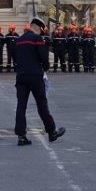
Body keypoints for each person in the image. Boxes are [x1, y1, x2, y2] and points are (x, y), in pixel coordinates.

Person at [12, 17, 64, 146]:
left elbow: (14, 57)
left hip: (21, 76)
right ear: (39, 28)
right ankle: (51, 132)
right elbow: (44, 58)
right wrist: (45, 68)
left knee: (21, 106)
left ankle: (21, 136)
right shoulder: (37, 39)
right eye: (42, 30)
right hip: (35, 76)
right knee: (42, 104)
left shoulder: (19, 40)